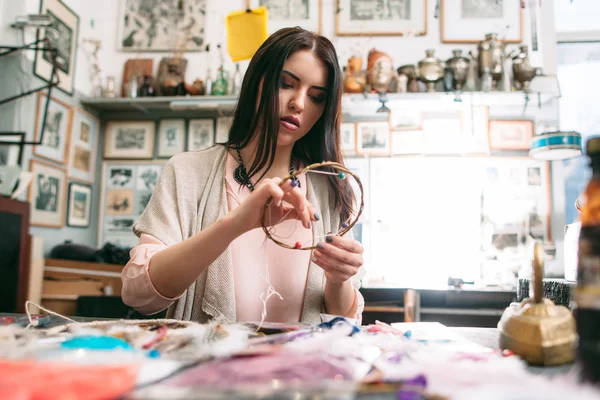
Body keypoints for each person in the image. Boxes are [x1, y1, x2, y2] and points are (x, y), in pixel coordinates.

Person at [121, 27, 366, 325]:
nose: (299, 104)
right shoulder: (187, 173)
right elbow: (139, 295)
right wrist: (235, 224)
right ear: (256, 83)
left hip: (303, 369)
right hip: (211, 367)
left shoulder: (327, 188)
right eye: (286, 84)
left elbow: (344, 321)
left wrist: (339, 278)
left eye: (316, 97)